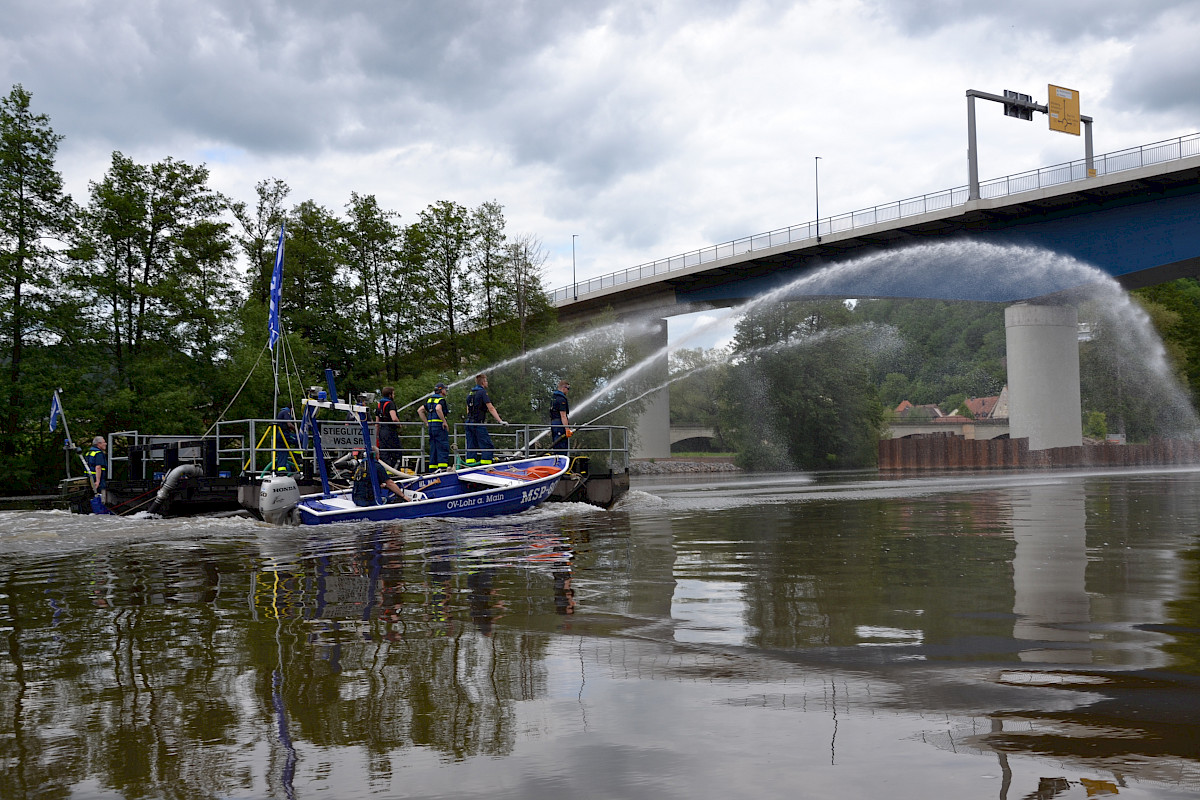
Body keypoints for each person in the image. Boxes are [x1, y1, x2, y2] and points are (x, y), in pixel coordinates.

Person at [464, 373, 506, 466]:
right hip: (478, 423)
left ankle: (470, 466)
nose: (487, 383)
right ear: (483, 382)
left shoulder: (471, 393)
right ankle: (486, 467)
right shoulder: (482, 392)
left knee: (471, 446)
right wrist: (500, 421)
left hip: (469, 423)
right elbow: (491, 408)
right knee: (487, 446)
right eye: (486, 381)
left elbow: (468, 409)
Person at [418, 382, 451, 471]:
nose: (446, 391)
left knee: (433, 448)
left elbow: (420, 410)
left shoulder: (430, 400)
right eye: (445, 389)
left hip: (431, 428)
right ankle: (442, 469)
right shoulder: (441, 400)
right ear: (441, 390)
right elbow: (438, 409)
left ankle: (432, 469)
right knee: (442, 447)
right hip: (440, 427)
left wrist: (427, 422)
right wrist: (444, 422)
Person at [375, 386, 403, 468]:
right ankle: (395, 471)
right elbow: (394, 418)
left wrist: (377, 435)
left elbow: (377, 422)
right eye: (393, 394)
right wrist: (399, 424)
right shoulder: (390, 404)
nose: (394, 396)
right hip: (390, 431)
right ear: (390, 395)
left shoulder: (379, 404)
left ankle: (386, 471)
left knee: (384, 453)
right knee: (396, 451)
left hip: (381, 431)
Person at [550, 380, 572, 454]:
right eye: (568, 388)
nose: (568, 391)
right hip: (560, 424)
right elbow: (563, 415)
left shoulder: (554, 398)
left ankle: (556, 461)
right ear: (563, 388)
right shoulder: (561, 399)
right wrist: (567, 429)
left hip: (553, 423)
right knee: (561, 446)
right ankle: (560, 462)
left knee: (556, 444)